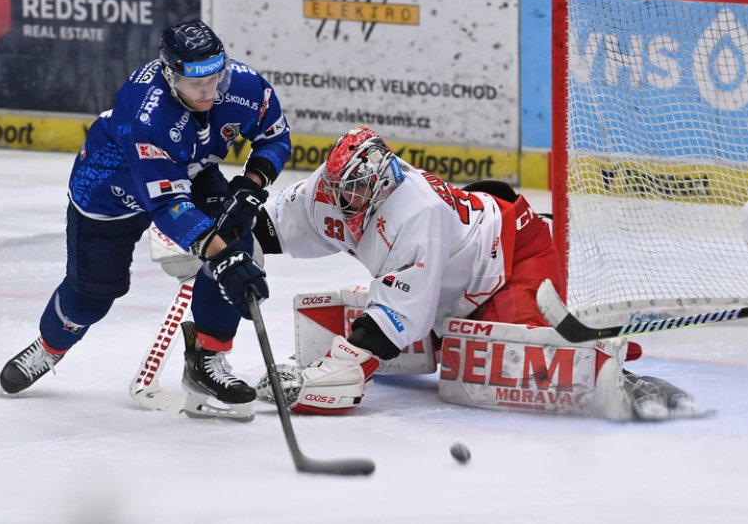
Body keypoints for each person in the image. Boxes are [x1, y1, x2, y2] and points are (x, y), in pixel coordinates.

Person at [253, 127, 706, 421]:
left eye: (354, 192)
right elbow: (267, 228)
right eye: (338, 190)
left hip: (511, 258)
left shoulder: (416, 214)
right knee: (456, 354)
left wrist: (342, 368)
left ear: (380, 184)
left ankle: (627, 379)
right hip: (454, 275)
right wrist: (216, 245)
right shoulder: (329, 188)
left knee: (527, 356)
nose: (342, 200)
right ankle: (451, 332)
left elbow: (395, 321)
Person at [0, 20, 289, 421]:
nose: (209, 91)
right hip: (109, 191)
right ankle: (50, 344)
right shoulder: (146, 113)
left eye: (215, 77)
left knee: (235, 237)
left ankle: (207, 360)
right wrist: (223, 259)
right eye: (196, 83)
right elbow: (169, 208)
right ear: (170, 75)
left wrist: (250, 186)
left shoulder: (241, 84)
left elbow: (275, 136)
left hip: (188, 168)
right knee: (93, 296)